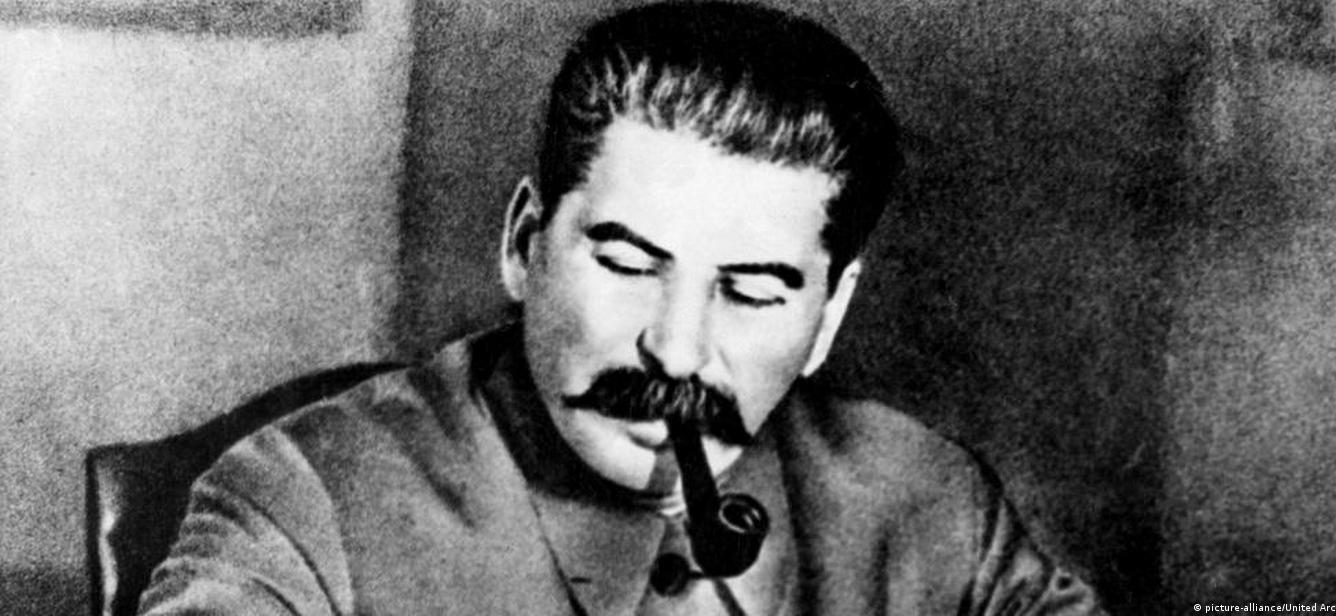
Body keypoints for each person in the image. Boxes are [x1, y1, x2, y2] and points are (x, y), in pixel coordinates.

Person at [139, 2, 1106, 614]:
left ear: (828, 315)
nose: (676, 351)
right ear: (525, 242)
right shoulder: (309, 503)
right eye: (629, 263)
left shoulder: (930, 505)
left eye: (751, 292)